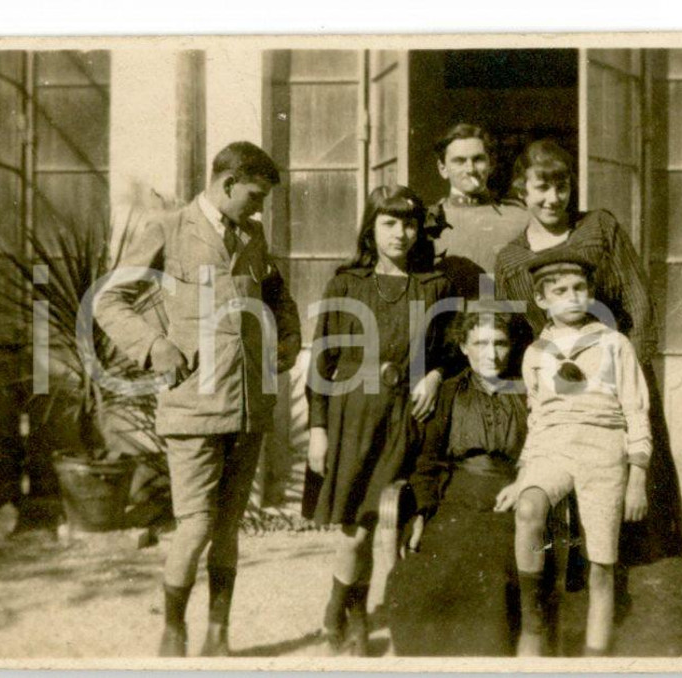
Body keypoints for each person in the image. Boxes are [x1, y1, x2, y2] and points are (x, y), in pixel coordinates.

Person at [94, 142, 301, 657]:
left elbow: (278, 295)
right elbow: (108, 300)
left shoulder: (252, 236)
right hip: (192, 407)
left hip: (250, 405)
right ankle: (173, 629)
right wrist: (153, 346)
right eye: (253, 196)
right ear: (228, 183)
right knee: (197, 525)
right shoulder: (167, 228)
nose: (258, 209)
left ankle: (219, 634)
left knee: (228, 526)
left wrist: (290, 339)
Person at [494, 139, 682, 583]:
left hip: (616, 372)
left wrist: (630, 368)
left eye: (561, 186)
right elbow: (521, 332)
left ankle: (625, 577)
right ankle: (573, 576)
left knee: (629, 481)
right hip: (557, 388)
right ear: (522, 189)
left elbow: (636, 299)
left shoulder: (600, 227)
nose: (553, 198)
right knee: (558, 478)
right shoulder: (511, 259)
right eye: (541, 187)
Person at [304, 185, 455, 656]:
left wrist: (432, 374)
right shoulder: (345, 284)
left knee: (376, 522)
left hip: (402, 415)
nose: (400, 233)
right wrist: (318, 429)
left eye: (408, 223)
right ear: (371, 227)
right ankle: (344, 610)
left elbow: (452, 350)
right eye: (389, 222)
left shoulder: (435, 286)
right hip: (351, 416)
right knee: (354, 530)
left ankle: (349, 615)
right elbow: (321, 366)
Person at [496, 251, 652, 656]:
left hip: (604, 450)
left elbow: (636, 410)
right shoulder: (535, 353)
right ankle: (533, 626)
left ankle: (595, 655)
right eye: (561, 290)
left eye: (580, 288)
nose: (573, 297)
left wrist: (638, 475)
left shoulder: (614, 344)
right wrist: (524, 473)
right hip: (553, 447)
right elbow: (537, 418)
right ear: (542, 299)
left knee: (602, 563)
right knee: (529, 508)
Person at [384, 311, 526, 656]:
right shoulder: (448, 393)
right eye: (480, 343)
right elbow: (428, 461)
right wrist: (420, 512)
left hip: (512, 496)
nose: (491, 354)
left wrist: (526, 484)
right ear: (464, 347)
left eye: (500, 343)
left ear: (512, 348)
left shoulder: (527, 392)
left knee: (492, 570)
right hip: (456, 496)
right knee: (427, 572)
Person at [426, 123, 528, 300]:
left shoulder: (520, 218)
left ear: (491, 164)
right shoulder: (426, 221)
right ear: (443, 169)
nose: (470, 169)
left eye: (478, 159)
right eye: (459, 161)